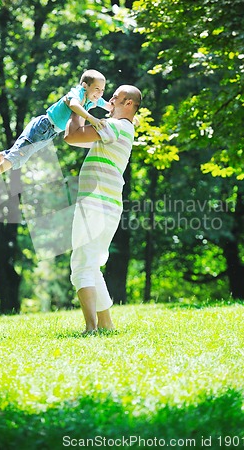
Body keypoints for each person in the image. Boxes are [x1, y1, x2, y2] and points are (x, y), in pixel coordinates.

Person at [64, 84, 142, 333]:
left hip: (95, 203)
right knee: (90, 264)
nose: (109, 99)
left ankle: (91, 328)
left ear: (128, 103)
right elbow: (74, 138)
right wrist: (82, 108)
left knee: (80, 266)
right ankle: (105, 324)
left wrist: (77, 103)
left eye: (116, 97)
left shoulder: (117, 127)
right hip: (107, 204)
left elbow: (71, 135)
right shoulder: (115, 131)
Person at [0, 69, 111, 195]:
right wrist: (92, 119)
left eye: (102, 90)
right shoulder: (78, 92)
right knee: (18, 155)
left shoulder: (92, 99)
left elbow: (110, 107)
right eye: (97, 89)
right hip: (43, 126)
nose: (100, 93)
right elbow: (73, 105)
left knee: (13, 154)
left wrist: (130, 118)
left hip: (50, 133)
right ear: (85, 85)